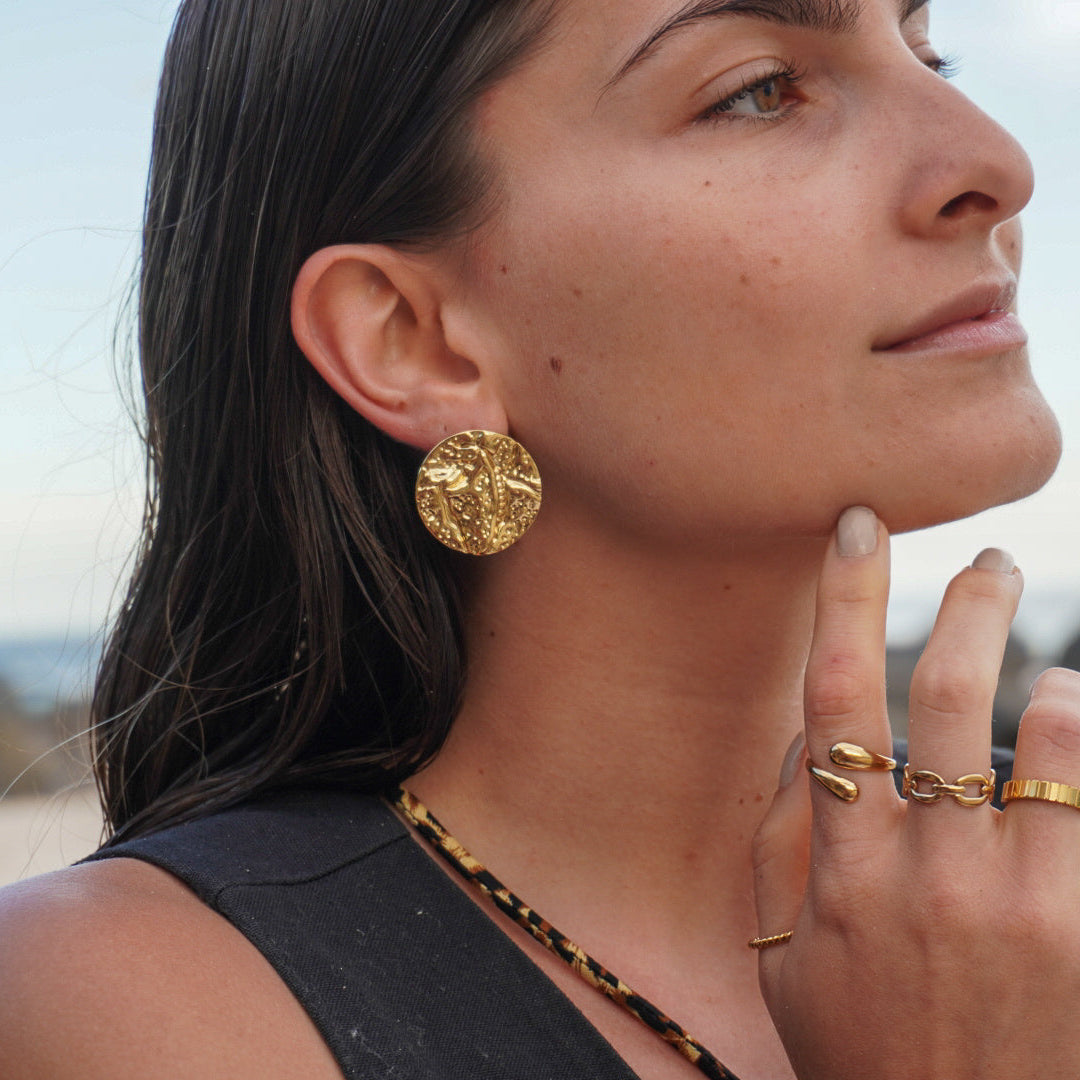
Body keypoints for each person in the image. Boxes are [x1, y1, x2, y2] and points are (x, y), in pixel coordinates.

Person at [1, 0, 1078, 1076]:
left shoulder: (1051, 869)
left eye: (929, 49)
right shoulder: (134, 1005)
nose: (995, 161)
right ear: (412, 342)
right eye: (758, 90)